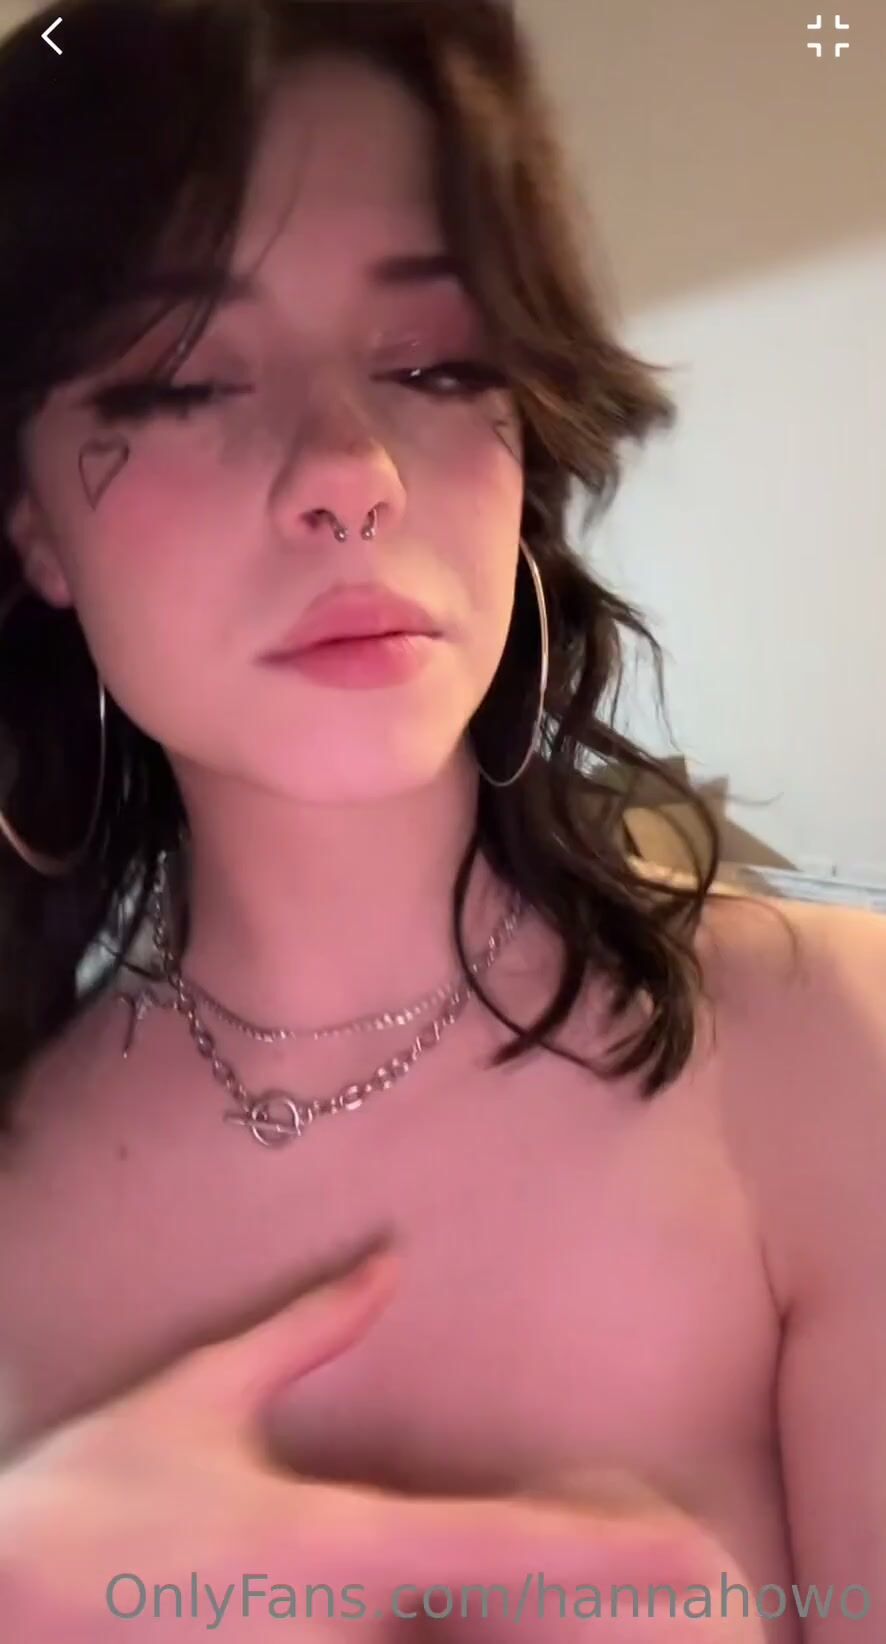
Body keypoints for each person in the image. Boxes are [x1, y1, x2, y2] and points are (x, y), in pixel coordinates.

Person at [0, 1, 882, 1639]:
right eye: (185, 377)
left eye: (431, 361)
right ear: (33, 521)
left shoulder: (831, 1057)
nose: (352, 473)